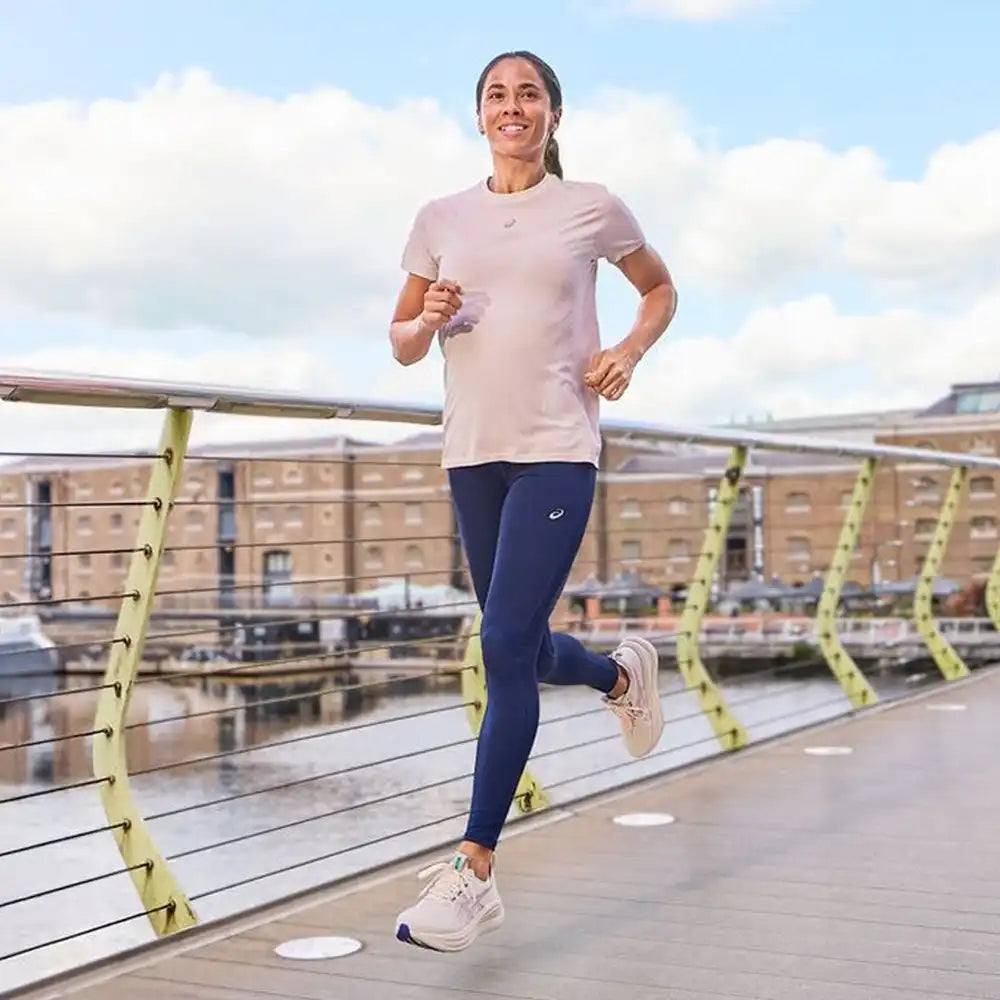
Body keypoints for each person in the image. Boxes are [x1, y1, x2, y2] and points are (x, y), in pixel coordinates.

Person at [388, 49, 678, 953]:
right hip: (471, 455)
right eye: (496, 95)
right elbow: (400, 342)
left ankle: (474, 868)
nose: (511, 106)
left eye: (528, 94)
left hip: (556, 449)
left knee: (502, 642)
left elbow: (659, 289)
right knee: (520, 643)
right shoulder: (440, 218)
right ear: (478, 115)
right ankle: (619, 677)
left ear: (553, 113)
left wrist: (627, 351)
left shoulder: (591, 206)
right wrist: (428, 317)